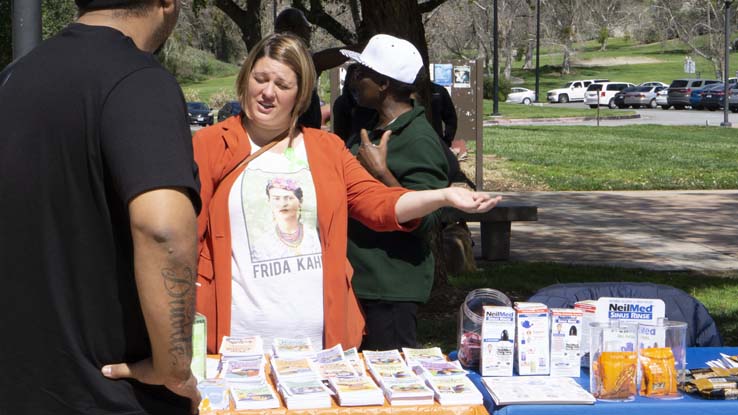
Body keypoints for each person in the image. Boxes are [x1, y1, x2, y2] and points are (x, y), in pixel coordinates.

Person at [192, 33, 501, 354]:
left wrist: (443, 196)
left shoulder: (327, 148)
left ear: (300, 95)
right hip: (237, 340)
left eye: (282, 85)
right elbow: (182, 240)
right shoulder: (211, 145)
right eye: (260, 79)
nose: (268, 92)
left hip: (319, 344)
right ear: (246, 79)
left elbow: (380, 202)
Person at [0, 1, 201, 414]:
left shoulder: (13, 78)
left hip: (20, 388)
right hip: (111, 394)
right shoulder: (140, 80)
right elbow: (163, 229)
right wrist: (174, 368)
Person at [341, 34, 451, 350]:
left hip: (390, 291)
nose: (355, 79)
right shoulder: (372, 126)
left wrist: (381, 174)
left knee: (392, 385)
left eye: (361, 73)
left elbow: (429, 220)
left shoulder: (418, 140)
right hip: (363, 283)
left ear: (384, 84)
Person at [274, 7, 360, 129]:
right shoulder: (289, 60)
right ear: (292, 30)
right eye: (306, 27)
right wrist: (357, 50)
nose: (310, 31)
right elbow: (317, 61)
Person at [332, 63, 377, 144]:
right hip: (350, 141)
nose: (357, 79)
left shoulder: (370, 98)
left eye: (360, 75)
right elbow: (340, 129)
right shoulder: (342, 101)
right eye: (355, 75)